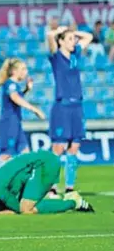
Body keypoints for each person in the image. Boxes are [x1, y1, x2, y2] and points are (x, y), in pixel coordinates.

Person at [0, 58, 45, 195]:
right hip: (8, 124)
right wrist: (34, 109)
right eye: (23, 69)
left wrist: (27, 89)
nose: (26, 72)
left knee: (26, 154)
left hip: (16, 123)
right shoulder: (10, 84)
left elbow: (18, 96)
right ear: (14, 71)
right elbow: (15, 98)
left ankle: (26, 189)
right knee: (6, 155)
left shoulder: (15, 85)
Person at [46, 26, 93, 198]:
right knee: (58, 147)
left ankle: (69, 188)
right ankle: (51, 186)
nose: (74, 42)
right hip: (62, 107)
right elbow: (50, 36)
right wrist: (60, 30)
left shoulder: (75, 55)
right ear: (61, 42)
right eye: (70, 39)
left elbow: (88, 36)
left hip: (77, 106)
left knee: (74, 146)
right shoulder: (56, 57)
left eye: (74, 39)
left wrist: (74, 32)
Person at [0, 150, 94, 215]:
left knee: (26, 209)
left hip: (43, 165)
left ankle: (74, 202)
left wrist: (0, 214)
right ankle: (68, 201)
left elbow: (16, 209)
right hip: (38, 163)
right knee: (28, 205)